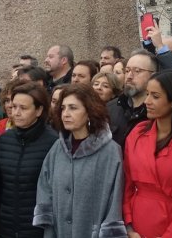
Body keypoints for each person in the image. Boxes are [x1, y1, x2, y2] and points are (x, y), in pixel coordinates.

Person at [33, 84, 126, 237]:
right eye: (63, 108)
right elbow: (45, 187)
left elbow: (114, 199)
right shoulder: (58, 147)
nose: (66, 114)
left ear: (90, 111)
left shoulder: (110, 151)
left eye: (73, 108)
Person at [123, 70, 172, 237]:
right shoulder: (138, 133)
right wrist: (129, 227)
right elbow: (126, 183)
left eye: (155, 96)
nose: (147, 101)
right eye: (147, 94)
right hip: (137, 223)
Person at [0, 82, 58, 238]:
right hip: (6, 226)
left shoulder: (53, 143)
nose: (16, 113)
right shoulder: (5, 140)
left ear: (39, 110)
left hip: (38, 229)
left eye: (23, 108)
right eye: (14, 106)